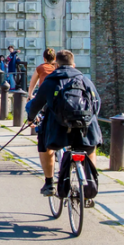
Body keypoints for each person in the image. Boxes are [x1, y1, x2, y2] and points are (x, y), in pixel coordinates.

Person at [25, 49, 102, 199]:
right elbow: (96, 102)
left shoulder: (51, 80)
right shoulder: (84, 79)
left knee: (45, 144)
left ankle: (49, 183)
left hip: (59, 129)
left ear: (56, 64)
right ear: (74, 64)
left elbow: (37, 103)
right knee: (90, 148)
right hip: (84, 128)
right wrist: (90, 119)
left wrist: (31, 118)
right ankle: (89, 183)